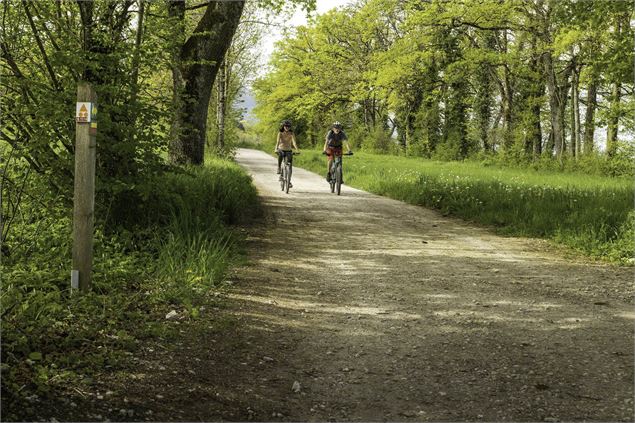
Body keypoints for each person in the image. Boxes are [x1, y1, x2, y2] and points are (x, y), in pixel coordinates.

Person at [274, 120, 299, 185]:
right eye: (286, 126)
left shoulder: (291, 133)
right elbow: (277, 142)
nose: (287, 127)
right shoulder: (280, 133)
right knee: (280, 155)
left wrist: (297, 150)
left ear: (290, 127)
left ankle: (289, 181)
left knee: (290, 166)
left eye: (288, 126)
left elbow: (294, 142)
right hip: (281, 149)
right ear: (283, 126)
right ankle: (279, 167)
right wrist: (276, 149)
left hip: (288, 150)